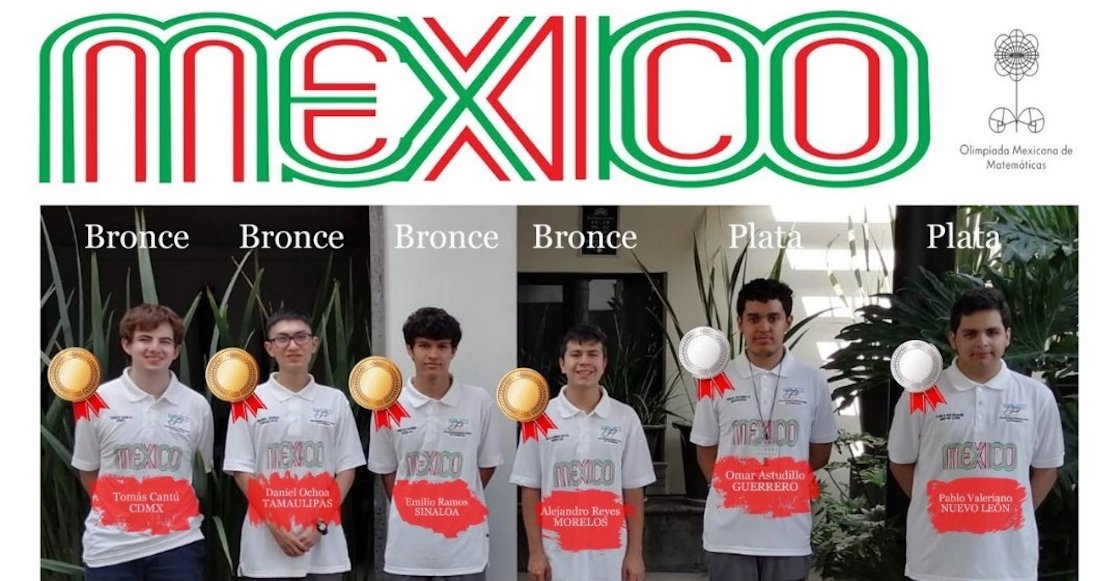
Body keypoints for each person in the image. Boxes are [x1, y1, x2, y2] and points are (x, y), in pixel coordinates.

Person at [888, 287, 1064, 581]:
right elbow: (900, 462)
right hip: (935, 565)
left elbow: (1047, 468)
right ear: (953, 339)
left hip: (1009, 566)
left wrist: (1010, 510)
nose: (982, 342)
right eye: (970, 334)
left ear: (1007, 336)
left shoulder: (1036, 396)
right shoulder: (921, 394)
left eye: (992, 332)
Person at [691, 278, 838, 581]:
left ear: (788, 322)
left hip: (788, 534)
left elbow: (820, 452)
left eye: (773, 318)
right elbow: (706, 449)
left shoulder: (812, 381)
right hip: (729, 534)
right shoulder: (716, 381)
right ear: (740, 323)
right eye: (754, 318)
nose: (764, 328)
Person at [72, 303, 215, 581]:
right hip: (111, 549)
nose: (154, 348)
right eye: (145, 339)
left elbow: (199, 471)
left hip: (177, 545)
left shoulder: (196, 406)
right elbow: (87, 468)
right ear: (127, 345)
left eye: (165, 341)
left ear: (176, 350)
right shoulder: (96, 403)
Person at [224, 309, 365, 580]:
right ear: (269, 348)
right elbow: (241, 471)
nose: (292, 346)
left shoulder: (335, 400)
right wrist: (276, 526)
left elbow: (347, 469)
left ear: (314, 344)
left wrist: (320, 525)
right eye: (282, 339)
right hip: (264, 552)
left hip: (324, 553)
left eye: (301, 337)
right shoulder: (248, 402)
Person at [510, 323, 656, 581]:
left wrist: (635, 553)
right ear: (562, 364)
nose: (584, 362)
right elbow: (530, 488)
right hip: (556, 556)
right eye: (576, 354)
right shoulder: (539, 418)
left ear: (604, 363)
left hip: (611, 557)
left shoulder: (625, 417)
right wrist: (535, 552)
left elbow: (634, 489)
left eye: (593, 354)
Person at [367, 307, 503, 581]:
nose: (433, 355)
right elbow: (386, 470)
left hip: (465, 554)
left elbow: (487, 465)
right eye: (424, 345)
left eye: (442, 346)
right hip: (407, 554)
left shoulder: (479, 402)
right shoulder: (387, 406)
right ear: (410, 350)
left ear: (454, 351)